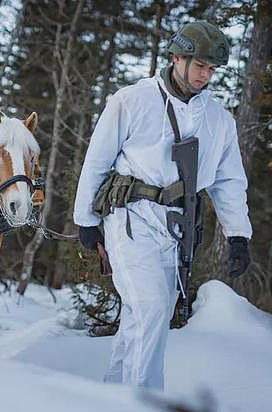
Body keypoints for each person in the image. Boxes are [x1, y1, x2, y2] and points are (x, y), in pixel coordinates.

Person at [73, 20, 252, 390]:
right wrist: (86, 220)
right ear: (176, 58)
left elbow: (229, 182)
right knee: (152, 306)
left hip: (177, 228)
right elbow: (97, 161)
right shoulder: (132, 100)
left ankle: (111, 398)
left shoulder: (220, 121)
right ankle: (145, 405)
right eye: (200, 65)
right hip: (131, 217)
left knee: (144, 315)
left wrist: (238, 236)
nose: (206, 74)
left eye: (212, 68)